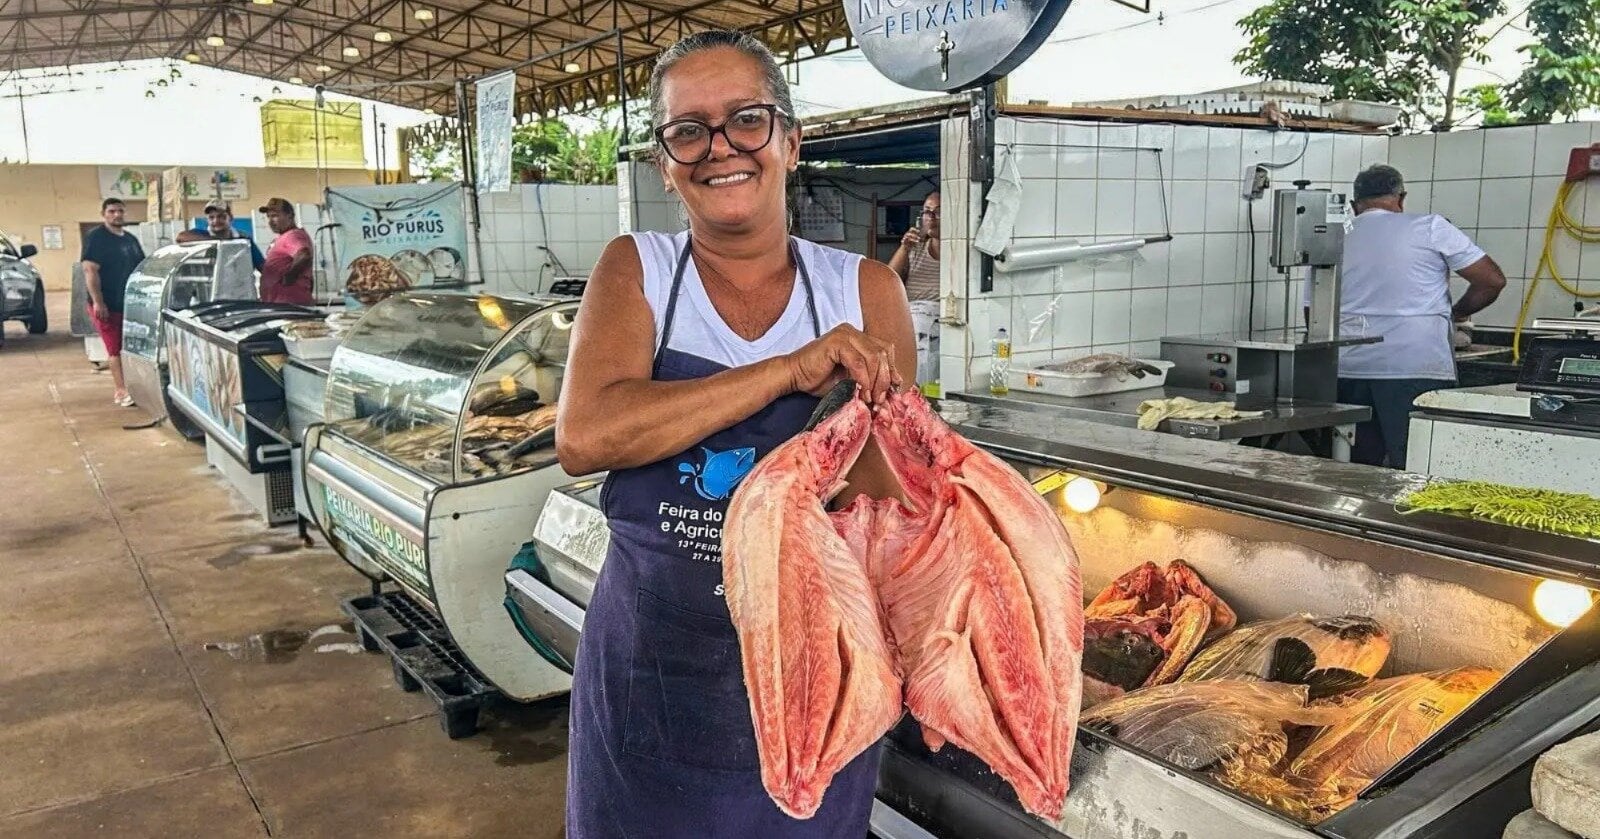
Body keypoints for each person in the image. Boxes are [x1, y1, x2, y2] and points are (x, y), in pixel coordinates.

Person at [556, 29, 915, 839]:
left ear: (789, 139)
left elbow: (886, 499)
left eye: (746, 120)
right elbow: (586, 434)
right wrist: (789, 371)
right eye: (688, 130)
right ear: (664, 162)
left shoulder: (864, 290)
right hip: (652, 674)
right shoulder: (636, 270)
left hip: (817, 678)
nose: (720, 148)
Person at [1309, 164, 1507, 468]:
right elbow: (1492, 280)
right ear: (1401, 198)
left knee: (1353, 468)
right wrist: (1458, 314)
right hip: (1415, 368)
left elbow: (1313, 312)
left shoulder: (1332, 237)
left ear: (1353, 204)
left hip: (1347, 369)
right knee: (1419, 466)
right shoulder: (1429, 227)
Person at [81, 197, 146, 407]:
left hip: (129, 304)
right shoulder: (96, 238)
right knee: (114, 348)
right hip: (106, 304)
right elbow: (90, 270)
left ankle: (136, 386)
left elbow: (141, 269)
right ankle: (121, 390)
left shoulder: (130, 240)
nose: (116, 215)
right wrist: (99, 302)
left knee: (130, 346)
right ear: (104, 214)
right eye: (111, 211)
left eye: (120, 211)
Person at [888, 190, 941, 387]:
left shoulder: (958, 251)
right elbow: (888, 277)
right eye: (927, 211)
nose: (932, 218)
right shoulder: (916, 249)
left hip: (939, 324)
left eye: (938, 211)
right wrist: (904, 248)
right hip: (911, 320)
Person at [177, 200, 266, 270]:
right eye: (211, 217)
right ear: (207, 220)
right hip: (210, 290)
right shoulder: (201, 234)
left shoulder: (243, 239)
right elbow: (181, 237)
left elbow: (262, 266)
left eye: (221, 216)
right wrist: (216, 241)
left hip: (241, 291)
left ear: (230, 217)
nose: (216, 221)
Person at [257, 197, 316, 305]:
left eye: (275, 216)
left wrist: (288, 277)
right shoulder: (282, 238)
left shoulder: (293, 235)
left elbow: (304, 255)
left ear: (290, 216)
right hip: (279, 303)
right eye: (268, 216)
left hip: (289, 305)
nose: (270, 221)